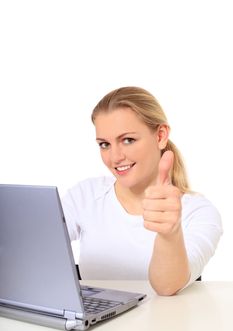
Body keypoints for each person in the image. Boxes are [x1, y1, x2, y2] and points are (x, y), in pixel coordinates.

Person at [62, 86, 223, 296]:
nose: (115, 157)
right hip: (96, 328)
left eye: (128, 140)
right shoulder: (85, 195)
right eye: (104, 144)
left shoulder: (199, 212)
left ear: (160, 136)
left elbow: (168, 286)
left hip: (167, 328)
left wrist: (170, 233)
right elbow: (37, 246)